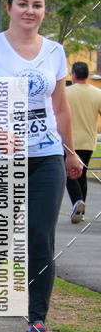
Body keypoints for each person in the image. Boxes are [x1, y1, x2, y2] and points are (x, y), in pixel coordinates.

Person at [0, 0, 83, 332]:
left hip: (46, 154)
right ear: (11, 6)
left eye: (38, 5)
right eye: (23, 4)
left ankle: (36, 324)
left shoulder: (54, 52)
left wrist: (69, 151)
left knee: (39, 237)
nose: (31, 11)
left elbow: (60, 108)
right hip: (1, 156)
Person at [65, 61, 101, 223]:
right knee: (82, 174)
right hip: (88, 141)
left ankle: (77, 202)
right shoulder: (97, 93)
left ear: (73, 74)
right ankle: (80, 208)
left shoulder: (65, 93)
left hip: (68, 142)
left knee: (69, 174)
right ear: (87, 75)